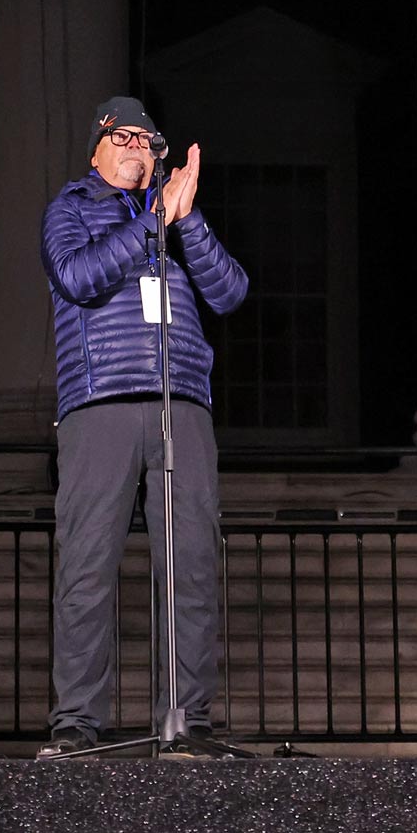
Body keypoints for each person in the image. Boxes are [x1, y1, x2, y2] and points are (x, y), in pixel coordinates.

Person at [34, 97, 250, 759]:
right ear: (97, 148)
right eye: (122, 137)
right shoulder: (70, 207)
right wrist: (154, 221)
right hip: (100, 403)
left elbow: (230, 292)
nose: (137, 148)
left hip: (181, 402)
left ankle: (188, 722)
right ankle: (76, 725)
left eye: (148, 140)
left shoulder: (176, 216)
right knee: (88, 570)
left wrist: (187, 221)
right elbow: (77, 277)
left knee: (189, 567)